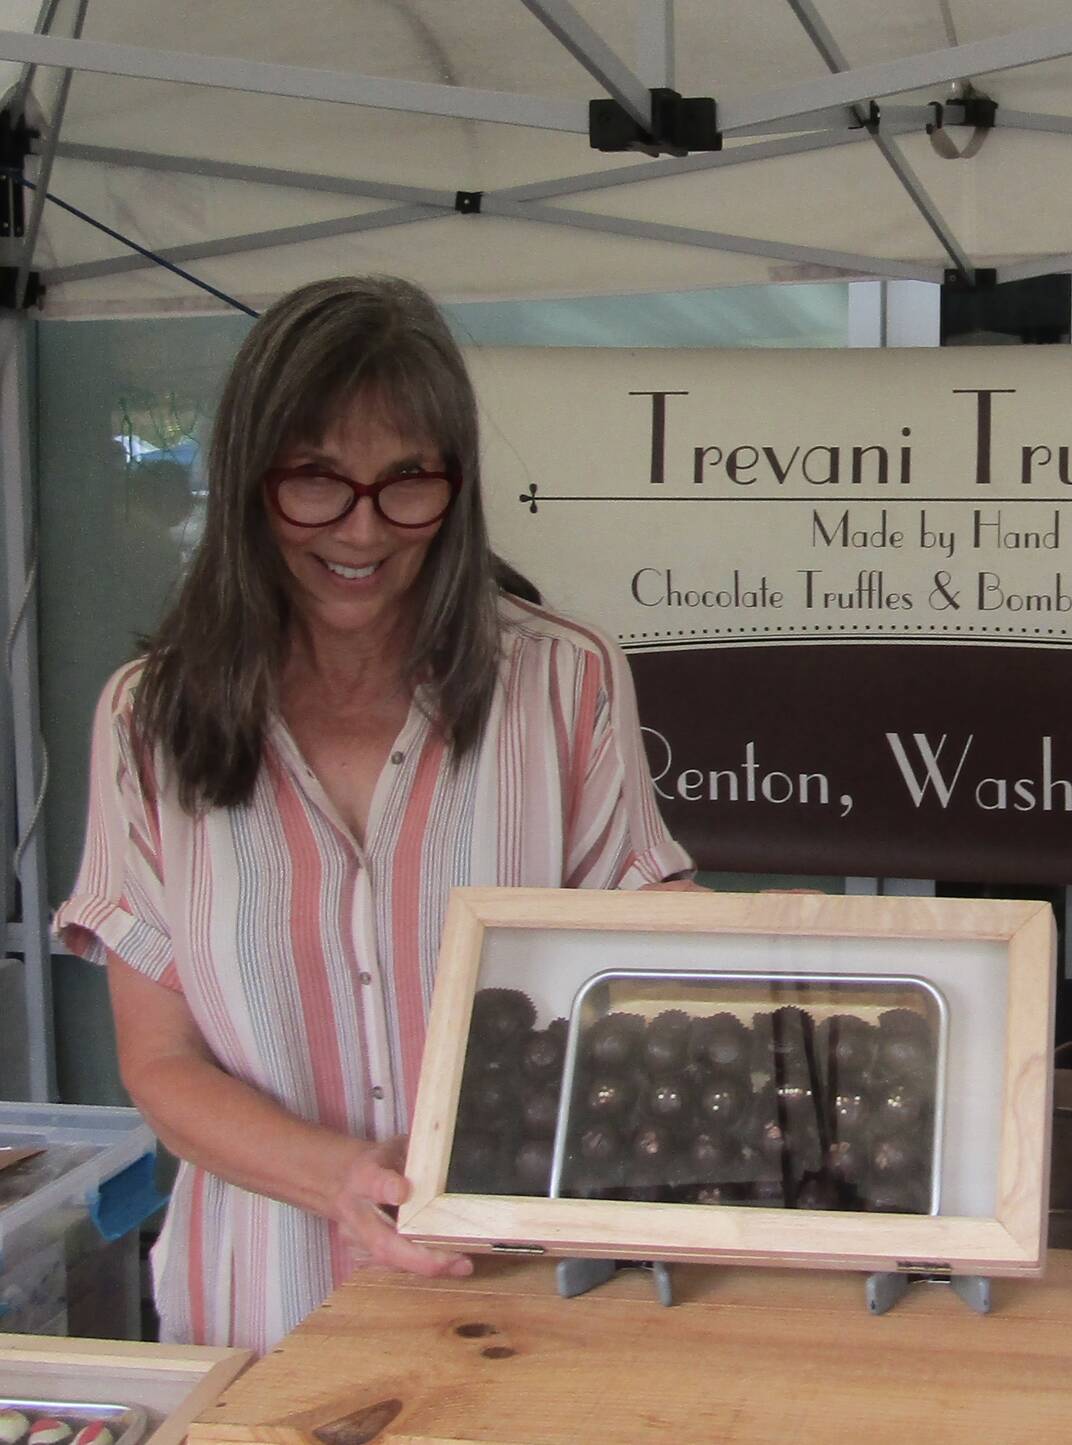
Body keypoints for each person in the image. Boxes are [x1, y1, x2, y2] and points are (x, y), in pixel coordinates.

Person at [54, 276, 695, 1354]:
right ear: (250, 478)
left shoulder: (563, 681)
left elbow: (647, 974)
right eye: (316, 480)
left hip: (524, 1314)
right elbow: (160, 1064)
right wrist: (343, 1180)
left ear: (457, 484)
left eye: (407, 481)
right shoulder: (146, 718)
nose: (363, 529)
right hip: (258, 1317)